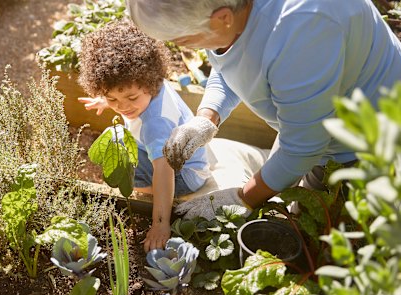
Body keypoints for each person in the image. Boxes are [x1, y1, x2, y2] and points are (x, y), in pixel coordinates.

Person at [126, 0, 401, 219]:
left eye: (184, 40)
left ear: (223, 17)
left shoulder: (303, 31)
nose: (181, 47)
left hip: (367, 145)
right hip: (313, 124)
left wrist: (242, 198)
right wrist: (207, 117)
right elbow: (232, 59)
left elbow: (303, 148)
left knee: (327, 239)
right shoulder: (229, 16)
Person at [77, 20, 210, 251]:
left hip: (184, 176)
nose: (122, 106)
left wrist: (160, 224)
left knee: (123, 156)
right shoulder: (147, 83)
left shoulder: (155, 124)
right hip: (182, 159)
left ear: (149, 82)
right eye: (112, 98)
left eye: (131, 98)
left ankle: (143, 191)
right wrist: (106, 101)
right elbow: (122, 93)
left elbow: (164, 170)